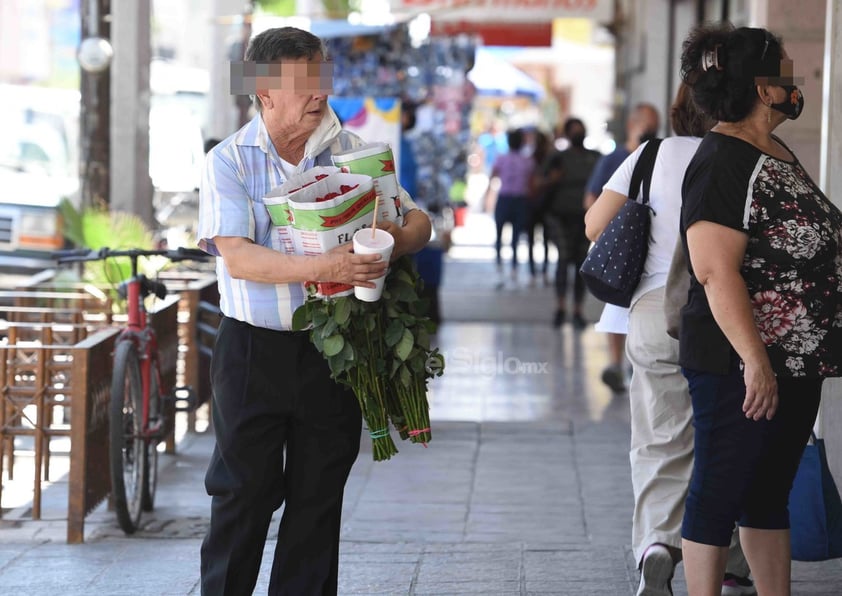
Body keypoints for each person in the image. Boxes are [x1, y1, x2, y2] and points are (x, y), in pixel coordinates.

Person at [196, 27, 432, 595]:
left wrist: (388, 246)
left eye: (321, 76)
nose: (318, 92)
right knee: (242, 493)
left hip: (337, 347)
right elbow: (238, 257)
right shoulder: (229, 161)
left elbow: (419, 222)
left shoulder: (356, 153)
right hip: (254, 349)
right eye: (303, 81)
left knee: (318, 497)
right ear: (264, 91)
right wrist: (326, 267)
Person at [679, 23, 842, 595]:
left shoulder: (772, 151)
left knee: (768, 493)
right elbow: (714, 269)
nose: (796, 79)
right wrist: (755, 359)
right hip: (740, 364)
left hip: (793, 361)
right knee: (720, 489)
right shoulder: (723, 159)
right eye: (786, 69)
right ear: (763, 87)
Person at [585, 83, 755, 596]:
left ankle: (657, 544)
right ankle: (731, 557)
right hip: (722, 310)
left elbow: (595, 224)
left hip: (655, 310)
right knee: (722, 438)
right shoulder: (745, 161)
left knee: (660, 436)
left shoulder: (650, 154)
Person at [584, 103, 660, 391]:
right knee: (615, 306)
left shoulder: (659, 156)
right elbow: (591, 200)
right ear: (633, 124)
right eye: (648, 125)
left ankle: (630, 366)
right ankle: (617, 364)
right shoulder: (615, 159)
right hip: (620, 246)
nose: (651, 132)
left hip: (650, 247)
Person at [542, 117, 601, 329]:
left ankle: (577, 310)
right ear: (567, 135)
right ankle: (560, 307)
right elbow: (540, 182)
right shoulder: (557, 158)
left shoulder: (595, 158)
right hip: (560, 217)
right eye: (575, 131)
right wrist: (553, 179)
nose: (579, 134)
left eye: (581, 130)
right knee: (564, 259)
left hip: (583, 218)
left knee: (580, 264)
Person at [487, 128, 535, 285]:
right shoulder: (528, 160)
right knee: (516, 236)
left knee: (499, 234)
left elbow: (493, 176)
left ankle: (499, 267)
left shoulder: (501, 158)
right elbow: (531, 183)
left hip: (505, 198)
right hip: (520, 200)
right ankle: (514, 269)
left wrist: (488, 195)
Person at [526, 129, 552, 286]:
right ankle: (543, 272)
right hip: (545, 203)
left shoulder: (531, 159)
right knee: (545, 240)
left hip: (533, 203)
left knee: (533, 239)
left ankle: (534, 273)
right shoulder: (549, 159)